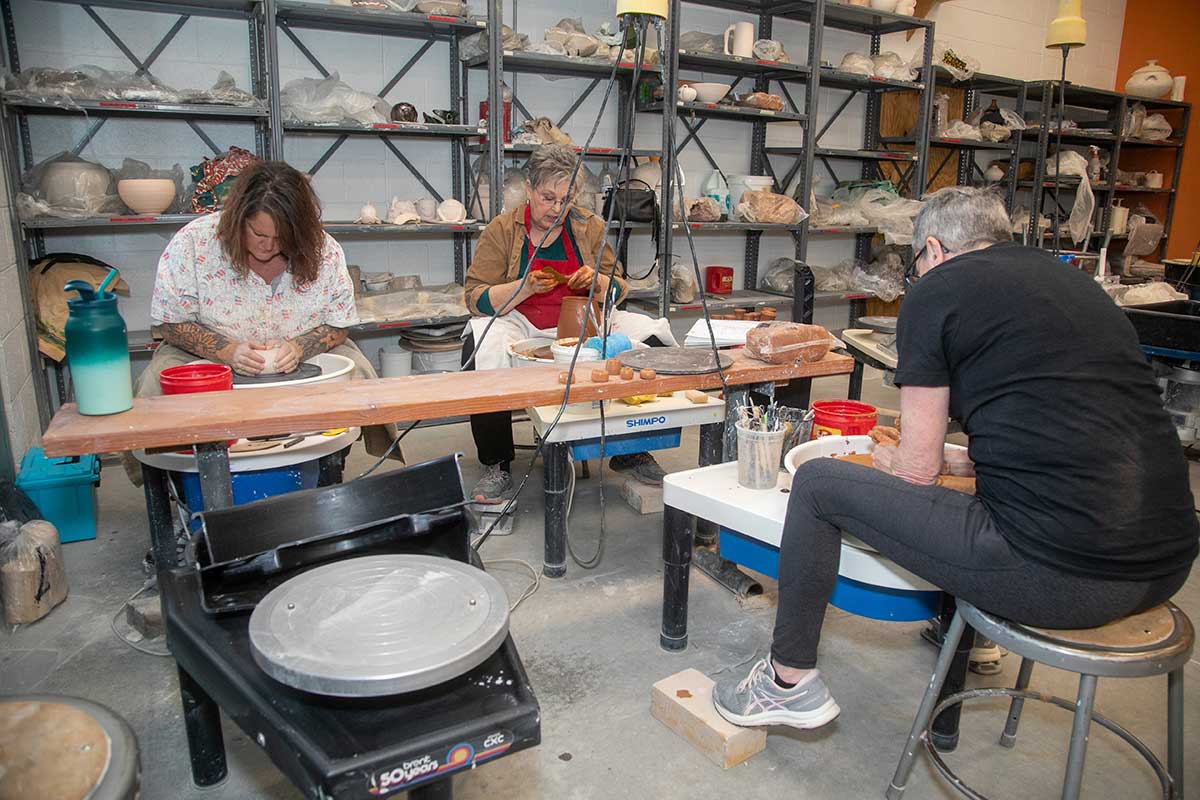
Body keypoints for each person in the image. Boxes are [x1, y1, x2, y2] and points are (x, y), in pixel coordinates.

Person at [713, 186, 1199, 731]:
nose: (919, 274)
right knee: (961, 490)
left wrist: (892, 459)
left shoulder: (939, 290)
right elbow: (1060, 419)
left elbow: (918, 468)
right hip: (1169, 561)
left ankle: (787, 681)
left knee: (820, 484)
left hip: (1065, 578)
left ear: (936, 250)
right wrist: (967, 462)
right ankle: (956, 636)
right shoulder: (1073, 284)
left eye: (917, 262)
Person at [127, 160, 397, 480]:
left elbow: (339, 324)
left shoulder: (323, 249)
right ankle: (165, 480)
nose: (268, 245)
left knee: (360, 371)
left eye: (281, 237)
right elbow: (170, 324)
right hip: (207, 352)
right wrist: (225, 350)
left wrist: (300, 347)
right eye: (258, 233)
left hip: (299, 350)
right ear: (237, 219)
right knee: (154, 383)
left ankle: (329, 466)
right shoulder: (194, 242)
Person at [462, 144, 676, 502]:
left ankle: (629, 449)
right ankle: (496, 462)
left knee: (653, 338)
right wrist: (524, 286)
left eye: (566, 199)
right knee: (481, 345)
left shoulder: (588, 227)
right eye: (548, 198)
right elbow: (475, 297)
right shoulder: (502, 229)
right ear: (529, 189)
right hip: (521, 322)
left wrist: (599, 281)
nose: (557, 209)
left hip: (586, 324)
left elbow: (618, 286)